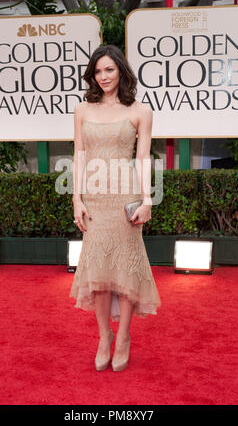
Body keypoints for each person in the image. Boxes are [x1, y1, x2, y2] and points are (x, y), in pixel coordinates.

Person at [70, 44, 161, 372]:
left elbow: (142, 158)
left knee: (125, 269)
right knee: (98, 272)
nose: (103, 76)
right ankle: (104, 336)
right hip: (94, 198)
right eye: (97, 71)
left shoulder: (141, 111)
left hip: (125, 197)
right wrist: (76, 198)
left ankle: (123, 337)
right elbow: (79, 154)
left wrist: (147, 199)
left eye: (109, 69)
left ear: (121, 70)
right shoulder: (82, 110)